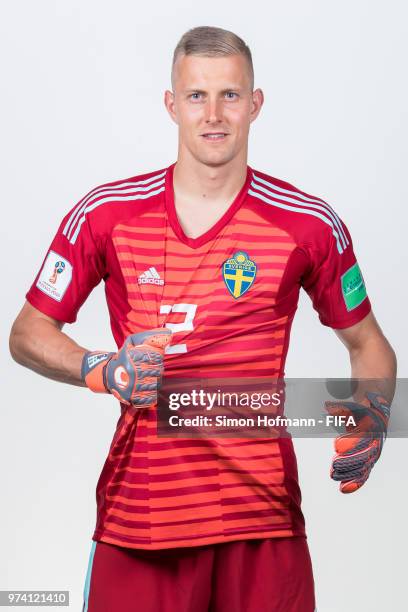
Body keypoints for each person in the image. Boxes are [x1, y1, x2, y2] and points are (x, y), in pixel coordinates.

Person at [9, 25, 396, 612]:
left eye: (231, 96)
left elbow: (369, 345)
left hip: (262, 524)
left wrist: (374, 417)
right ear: (171, 104)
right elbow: (27, 332)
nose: (214, 114)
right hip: (141, 523)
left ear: (255, 104)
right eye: (196, 96)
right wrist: (102, 368)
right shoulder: (107, 214)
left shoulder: (308, 225)